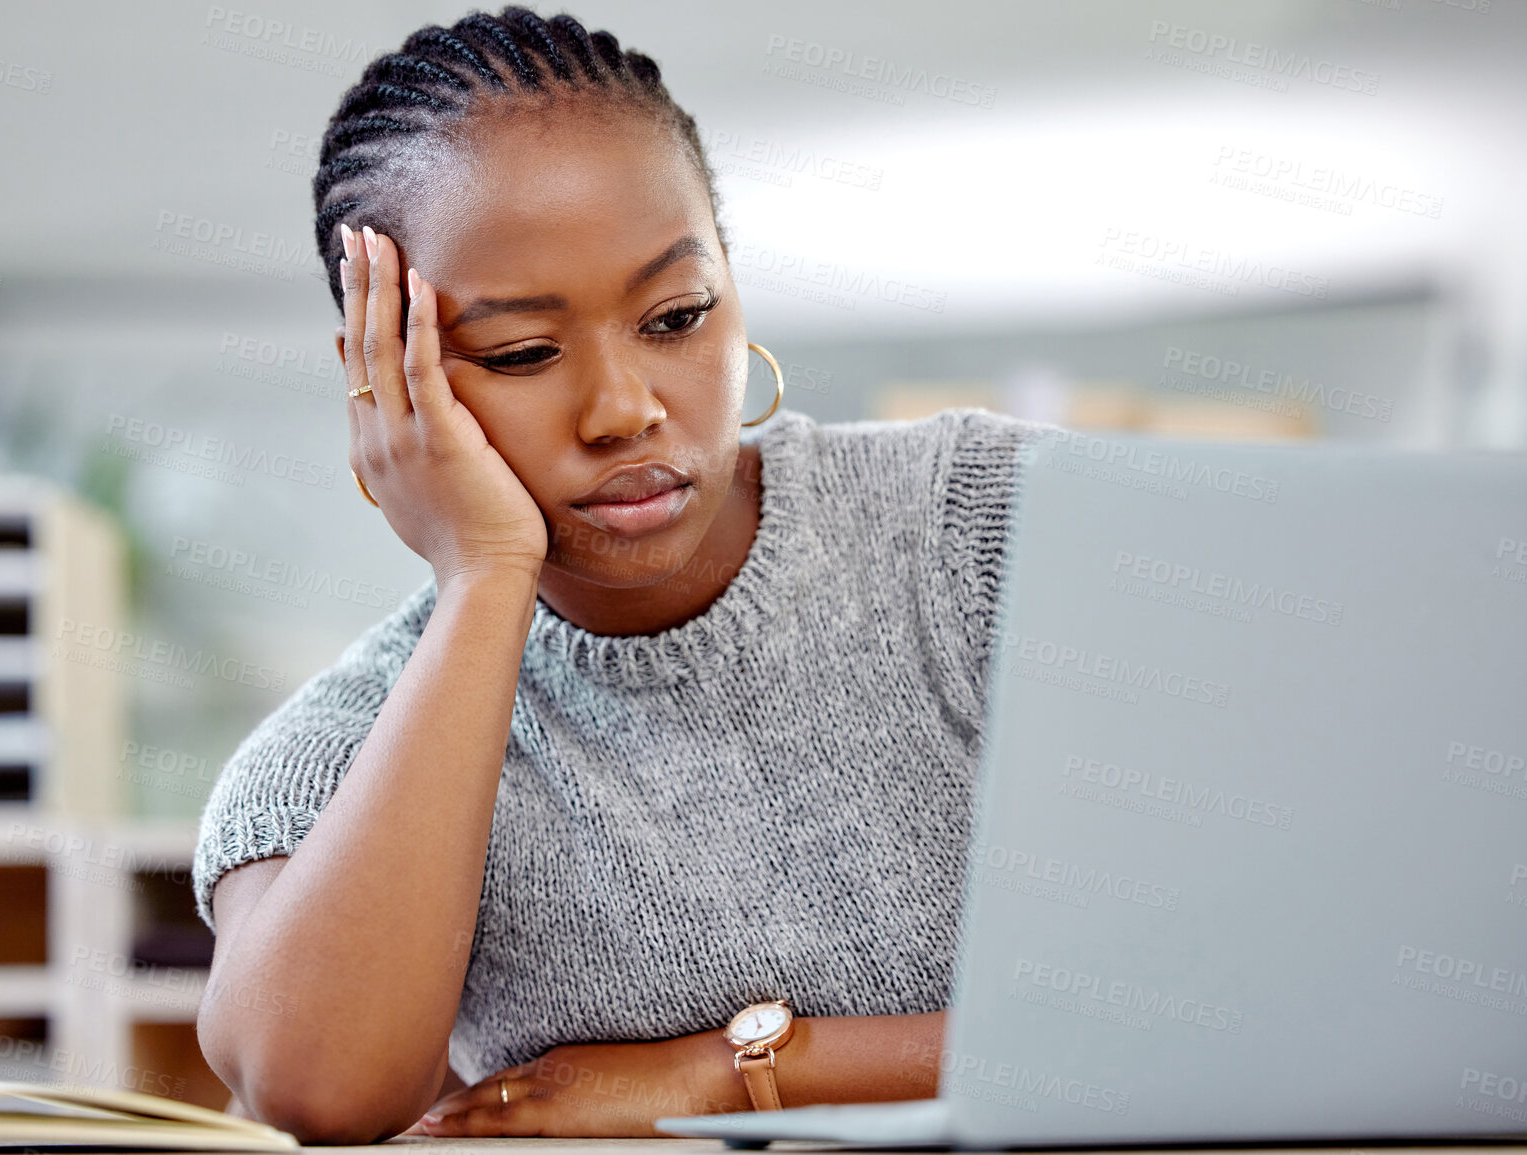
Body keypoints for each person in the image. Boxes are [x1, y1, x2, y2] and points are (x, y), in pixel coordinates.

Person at [191, 4, 1044, 1144]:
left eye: (677, 316)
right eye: (520, 353)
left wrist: (731, 1074)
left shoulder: (988, 520)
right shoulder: (340, 753)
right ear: (383, 381)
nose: (623, 408)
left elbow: (1262, 989)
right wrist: (486, 573)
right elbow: (320, 1091)